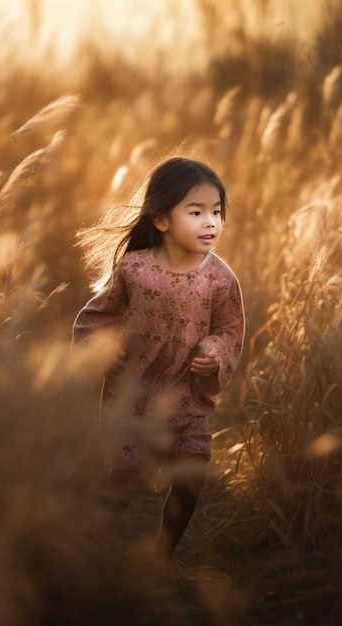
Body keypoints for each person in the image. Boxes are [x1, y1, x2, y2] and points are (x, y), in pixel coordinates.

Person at [72, 156, 245, 560]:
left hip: (186, 396)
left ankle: (162, 555)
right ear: (163, 220)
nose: (210, 222)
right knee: (125, 482)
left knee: (192, 476)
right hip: (134, 395)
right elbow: (98, 315)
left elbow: (230, 330)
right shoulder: (134, 269)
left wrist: (214, 354)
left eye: (217, 212)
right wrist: (100, 352)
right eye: (196, 212)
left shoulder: (221, 279)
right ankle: (93, 549)